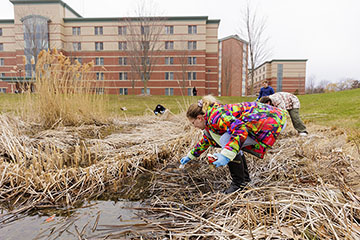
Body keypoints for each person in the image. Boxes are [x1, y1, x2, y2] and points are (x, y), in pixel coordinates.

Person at [180, 95, 288, 194]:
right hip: (270, 119)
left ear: (199, 118)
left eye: (193, 123)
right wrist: (190, 156)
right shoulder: (210, 118)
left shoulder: (216, 116)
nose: (194, 126)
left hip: (272, 121)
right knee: (228, 141)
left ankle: (239, 184)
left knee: (226, 140)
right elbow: (207, 140)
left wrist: (226, 155)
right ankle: (244, 180)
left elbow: (240, 129)